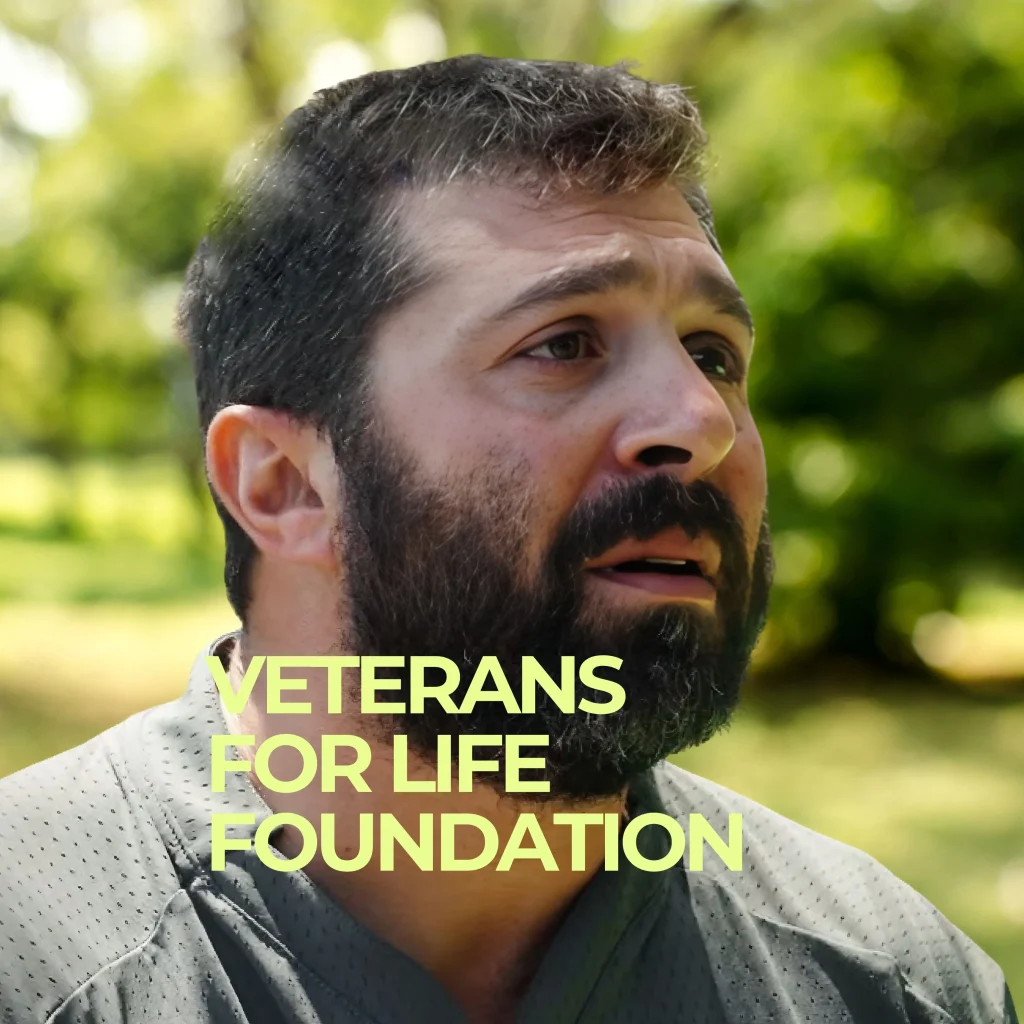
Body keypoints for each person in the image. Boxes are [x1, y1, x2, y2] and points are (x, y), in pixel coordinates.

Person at [0, 55, 1016, 1024]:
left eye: (713, 354)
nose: (702, 421)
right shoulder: (34, 958)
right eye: (562, 343)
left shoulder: (896, 987)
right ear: (285, 485)